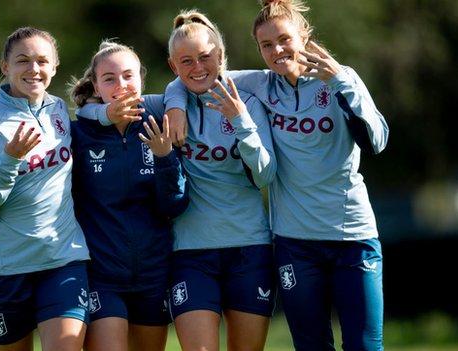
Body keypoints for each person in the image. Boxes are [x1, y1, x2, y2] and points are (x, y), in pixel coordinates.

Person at [164, 1, 389, 349]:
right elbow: (196, 75)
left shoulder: (339, 77)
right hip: (294, 242)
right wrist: (175, 103)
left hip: (352, 236)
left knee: (364, 345)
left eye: (284, 39)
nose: (277, 50)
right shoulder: (260, 84)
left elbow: (377, 140)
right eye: (266, 45)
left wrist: (343, 83)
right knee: (311, 345)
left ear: (305, 37)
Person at [79, 10, 278, 351]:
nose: (197, 67)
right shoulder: (162, 105)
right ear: (173, 66)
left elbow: (264, 175)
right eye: (186, 61)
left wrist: (241, 122)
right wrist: (174, 101)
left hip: (250, 246)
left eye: (205, 57)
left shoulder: (247, 101)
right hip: (190, 251)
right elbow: (90, 110)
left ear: (220, 55)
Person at [0, 26, 90, 351]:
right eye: (23, 61)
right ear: (6, 67)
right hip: (6, 270)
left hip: (63, 260)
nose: (34, 69)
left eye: (42, 61)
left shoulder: (59, 109)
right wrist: (8, 160)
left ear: (55, 66)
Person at [69, 40, 189, 351]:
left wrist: (165, 158)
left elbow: (173, 205)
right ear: (96, 84)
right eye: (109, 79)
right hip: (101, 275)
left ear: (141, 78)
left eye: (128, 76)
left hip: (153, 273)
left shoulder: (157, 120)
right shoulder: (78, 134)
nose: (120, 85)